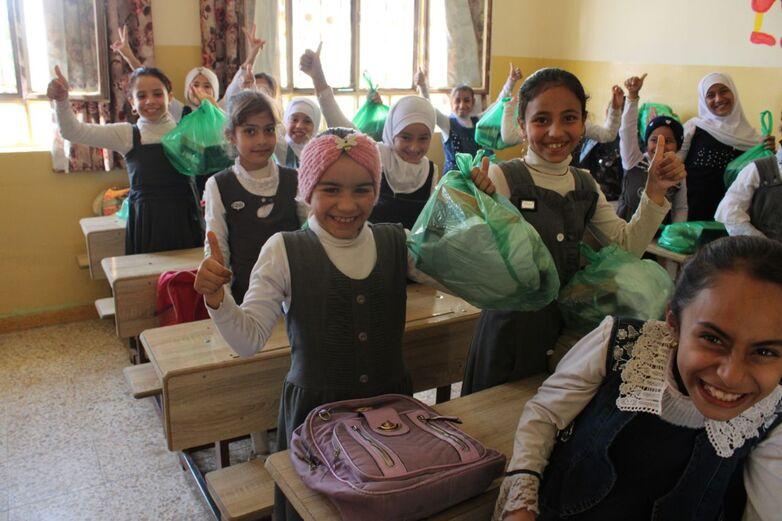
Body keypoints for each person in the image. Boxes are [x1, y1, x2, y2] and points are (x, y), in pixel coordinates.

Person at [194, 127, 494, 520]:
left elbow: (472, 283)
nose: (347, 204)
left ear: (377, 191)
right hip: (313, 420)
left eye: (362, 189)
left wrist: (479, 213)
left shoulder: (398, 242)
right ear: (307, 191)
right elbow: (248, 340)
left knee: (393, 504)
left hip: (393, 416)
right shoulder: (284, 250)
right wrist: (217, 299)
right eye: (330, 189)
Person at [493, 236, 782, 521]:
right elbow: (544, 414)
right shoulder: (622, 346)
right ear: (673, 324)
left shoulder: (771, 414)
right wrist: (521, 505)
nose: (731, 376)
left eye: (765, 352)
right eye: (712, 339)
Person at [462, 67, 686, 396]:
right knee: (499, 418)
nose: (556, 131)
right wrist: (478, 206)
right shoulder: (500, 178)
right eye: (541, 120)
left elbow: (627, 248)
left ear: (583, 123)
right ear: (522, 125)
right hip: (510, 334)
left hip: (569, 334)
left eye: (569, 118)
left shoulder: (585, 183)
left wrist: (654, 190)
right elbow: (473, 264)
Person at [48, 66, 203, 254]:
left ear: (170, 97)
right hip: (147, 224)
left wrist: (212, 108)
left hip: (187, 219)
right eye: (141, 96)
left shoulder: (188, 130)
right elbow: (72, 131)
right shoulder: (126, 134)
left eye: (157, 94)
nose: (150, 101)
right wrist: (61, 100)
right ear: (132, 102)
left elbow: (226, 141)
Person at [299, 44, 439, 229]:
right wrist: (318, 77)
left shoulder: (430, 171)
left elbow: (428, 223)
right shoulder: (377, 154)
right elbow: (338, 120)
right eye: (405, 137)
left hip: (407, 248)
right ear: (392, 133)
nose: (414, 147)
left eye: (423, 138)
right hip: (367, 244)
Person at [203, 90, 308, 304]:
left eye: (269, 130)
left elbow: (310, 234)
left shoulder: (295, 179)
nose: (261, 140)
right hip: (246, 298)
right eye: (250, 131)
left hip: (294, 295)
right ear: (231, 136)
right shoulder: (219, 185)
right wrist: (225, 303)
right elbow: (218, 248)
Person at [679, 73, 775, 221]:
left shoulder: (754, 141)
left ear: (734, 93)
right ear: (703, 100)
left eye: (724, 91)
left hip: (735, 220)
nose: (718, 99)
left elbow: (762, 179)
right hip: (693, 216)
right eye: (710, 95)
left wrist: (770, 152)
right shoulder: (694, 128)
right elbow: (675, 164)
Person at [415, 63, 522, 172]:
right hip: (454, 178)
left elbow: (497, 104)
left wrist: (511, 81)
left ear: (473, 102)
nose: (462, 105)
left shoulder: (479, 121)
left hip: (477, 176)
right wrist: (422, 86)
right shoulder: (447, 123)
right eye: (457, 101)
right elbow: (429, 108)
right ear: (451, 103)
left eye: (466, 100)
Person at [617, 73, 688, 223]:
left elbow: (680, 208)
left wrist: (675, 231)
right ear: (646, 142)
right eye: (654, 140)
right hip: (626, 231)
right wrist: (632, 97)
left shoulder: (676, 171)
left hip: (659, 234)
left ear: (678, 146)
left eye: (668, 140)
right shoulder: (633, 161)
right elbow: (627, 131)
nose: (660, 145)